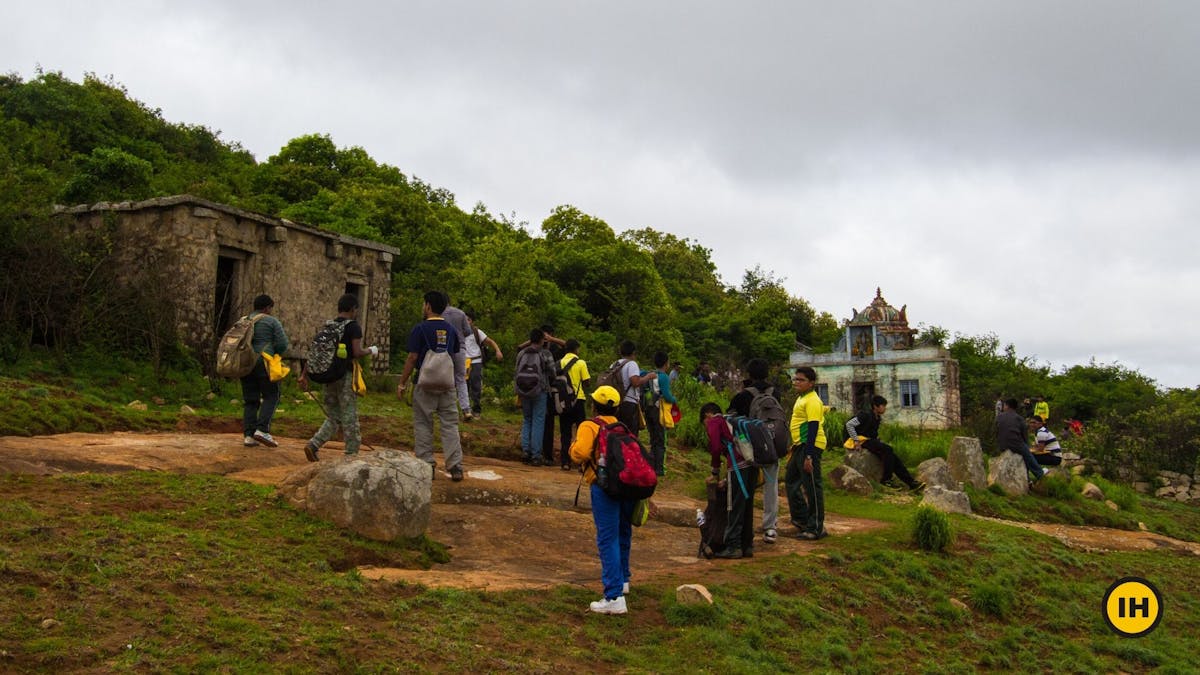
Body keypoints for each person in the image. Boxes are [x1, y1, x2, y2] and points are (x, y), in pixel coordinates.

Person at [570, 385, 636, 614]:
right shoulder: (623, 428)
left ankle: (614, 597)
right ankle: (623, 580)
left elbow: (580, 453)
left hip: (604, 487)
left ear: (594, 405)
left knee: (607, 539)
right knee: (623, 532)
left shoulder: (590, 425)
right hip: (627, 487)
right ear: (617, 408)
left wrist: (571, 447)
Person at [396, 291, 464, 481]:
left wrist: (402, 383)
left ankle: (427, 464)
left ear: (428, 306)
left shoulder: (420, 329)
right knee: (450, 424)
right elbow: (455, 353)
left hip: (424, 384)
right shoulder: (451, 330)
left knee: (423, 422)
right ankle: (455, 466)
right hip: (447, 384)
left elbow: (412, 357)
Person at [300, 293, 377, 461]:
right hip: (344, 375)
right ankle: (351, 454)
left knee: (334, 415)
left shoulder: (328, 327)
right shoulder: (353, 327)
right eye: (356, 309)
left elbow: (315, 353)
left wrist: (303, 375)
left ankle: (313, 445)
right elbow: (356, 352)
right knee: (349, 415)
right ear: (352, 309)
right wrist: (371, 350)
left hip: (328, 376)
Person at [726, 358, 784, 544]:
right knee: (771, 485)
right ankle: (770, 528)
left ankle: (744, 526)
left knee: (745, 486)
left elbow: (731, 418)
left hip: (749, 448)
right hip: (771, 445)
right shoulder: (775, 393)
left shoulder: (743, 395)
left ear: (749, 374)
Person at [701, 402, 758, 559]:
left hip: (738, 467)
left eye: (703, 422)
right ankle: (747, 546)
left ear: (707, 415)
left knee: (734, 506)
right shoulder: (732, 421)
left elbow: (715, 447)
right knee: (746, 506)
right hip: (752, 465)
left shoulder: (715, 421)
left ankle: (733, 546)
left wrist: (715, 471)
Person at [784, 366, 828, 540]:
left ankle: (816, 527)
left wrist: (809, 455)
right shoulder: (801, 398)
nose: (797, 382)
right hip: (799, 446)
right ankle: (802, 519)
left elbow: (812, 427)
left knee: (812, 486)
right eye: (796, 379)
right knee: (791, 481)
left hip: (810, 446)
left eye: (801, 380)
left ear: (811, 383)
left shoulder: (813, 401)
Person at [846, 396, 924, 491]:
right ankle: (886, 479)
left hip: (869, 440)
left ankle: (911, 482)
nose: (885, 408)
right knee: (888, 449)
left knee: (893, 457)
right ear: (875, 406)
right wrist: (856, 441)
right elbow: (849, 424)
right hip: (861, 440)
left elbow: (872, 433)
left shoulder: (877, 417)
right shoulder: (865, 415)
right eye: (883, 406)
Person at [240, 294, 288, 448]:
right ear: (267, 307)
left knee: (250, 400)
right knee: (272, 395)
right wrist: (275, 353)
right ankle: (262, 430)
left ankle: (249, 436)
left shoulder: (243, 320)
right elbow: (282, 344)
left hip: (245, 363)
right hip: (264, 362)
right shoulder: (271, 321)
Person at [515, 328, 557, 466]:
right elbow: (552, 372)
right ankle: (536, 455)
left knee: (527, 419)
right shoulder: (545, 353)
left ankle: (525, 451)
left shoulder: (522, 353)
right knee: (538, 421)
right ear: (541, 340)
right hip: (540, 390)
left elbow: (516, 371)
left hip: (524, 391)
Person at [642, 351, 678, 476]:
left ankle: (651, 464)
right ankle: (659, 468)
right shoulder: (663, 377)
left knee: (653, 439)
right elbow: (667, 396)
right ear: (666, 363)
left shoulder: (649, 374)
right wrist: (674, 400)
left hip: (648, 409)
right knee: (661, 440)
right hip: (659, 411)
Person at [462, 311, 503, 418]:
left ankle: (476, 409)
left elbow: (490, 341)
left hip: (475, 361)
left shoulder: (477, 332)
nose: (466, 322)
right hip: (463, 362)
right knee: (464, 386)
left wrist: (497, 350)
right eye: (464, 319)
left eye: (468, 319)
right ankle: (466, 410)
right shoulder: (459, 332)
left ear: (472, 321)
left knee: (476, 385)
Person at [995, 398, 1047, 482]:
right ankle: (1039, 474)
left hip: (1002, 444)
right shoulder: (1019, 418)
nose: (1003, 407)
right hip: (1015, 444)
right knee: (1028, 455)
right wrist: (1027, 446)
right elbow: (1024, 435)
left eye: (1004, 405)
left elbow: (996, 431)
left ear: (1007, 406)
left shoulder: (999, 416)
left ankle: (1028, 478)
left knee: (1025, 452)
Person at [440, 300, 475, 421]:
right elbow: (468, 331)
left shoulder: (440, 314)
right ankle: (466, 410)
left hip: (445, 349)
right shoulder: (461, 313)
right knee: (461, 379)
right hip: (460, 348)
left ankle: (445, 407)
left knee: (444, 378)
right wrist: (459, 335)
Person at [558, 339, 590, 470]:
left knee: (565, 433)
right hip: (578, 400)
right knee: (581, 432)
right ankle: (581, 462)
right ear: (576, 349)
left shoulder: (559, 362)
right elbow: (586, 382)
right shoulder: (580, 362)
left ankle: (565, 462)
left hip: (563, 401)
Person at [615, 341, 656, 435]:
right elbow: (635, 382)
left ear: (621, 352)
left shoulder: (615, 364)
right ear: (633, 353)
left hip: (616, 402)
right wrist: (648, 377)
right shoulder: (632, 364)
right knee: (630, 433)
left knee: (617, 431)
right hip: (629, 403)